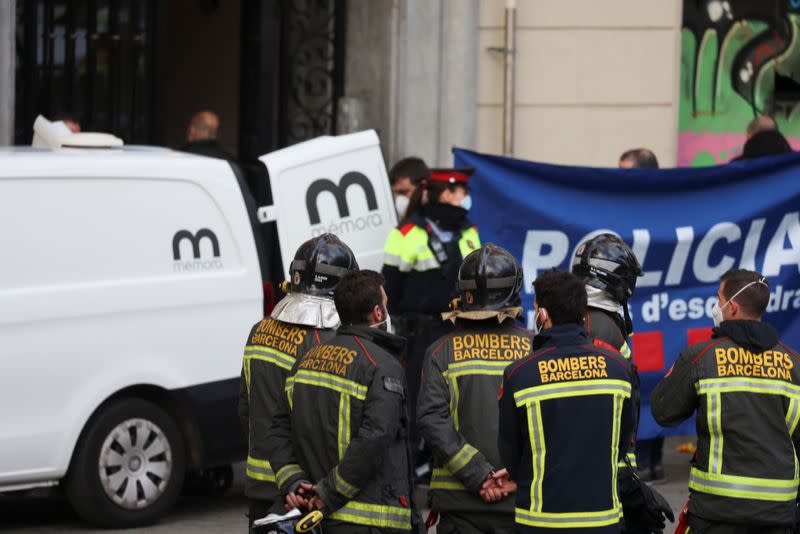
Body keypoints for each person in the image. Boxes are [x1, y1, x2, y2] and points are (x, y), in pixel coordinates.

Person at [264, 270, 422, 533]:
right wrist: (329, 493)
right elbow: (374, 439)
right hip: (371, 522)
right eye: (386, 303)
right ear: (378, 313)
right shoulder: (383, 365)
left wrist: (293, 481)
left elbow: (277, 428)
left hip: (319, 519)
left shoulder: (306, 360)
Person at [651, 269, 800, 534]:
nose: (716, 305)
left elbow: (663, 411)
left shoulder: (702, 356)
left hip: (717, 512)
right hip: (779, 513)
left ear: (732, 307)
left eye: (718, 298)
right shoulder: (794, 363)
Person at [496, 270, 635, 533]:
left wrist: (522, 473)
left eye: (536, 307)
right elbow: (622, 440)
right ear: (582, 313)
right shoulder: (618, 368)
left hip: (541, 521)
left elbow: (510, 450)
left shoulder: (520, 373)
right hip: (602, 519)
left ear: (544, 315)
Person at [238, 234, 358, 527]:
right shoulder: (327, 340)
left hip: (260, 483)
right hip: (302, 490)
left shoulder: (259, 330)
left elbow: (245, 407)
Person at [417, 244, 534, 534]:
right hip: (522, 504)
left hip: (460, 507)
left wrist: (478, 475)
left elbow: (432, 420)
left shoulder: (440, 351)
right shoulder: (535, 349)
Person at [572, 234, 673, 533]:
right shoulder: (596, 324)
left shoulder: (592, 318)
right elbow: (595, 406)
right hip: (599, 477)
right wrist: (624, 483)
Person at [382, 167, 481, 460]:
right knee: (415, 406)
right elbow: (391, 292)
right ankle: (410, 480)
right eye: (462, 193)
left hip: (460, 332)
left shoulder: (469, 231)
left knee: (458, 406)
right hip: (420, 335)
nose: (466, 199)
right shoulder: (406, 234)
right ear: (448, 193)